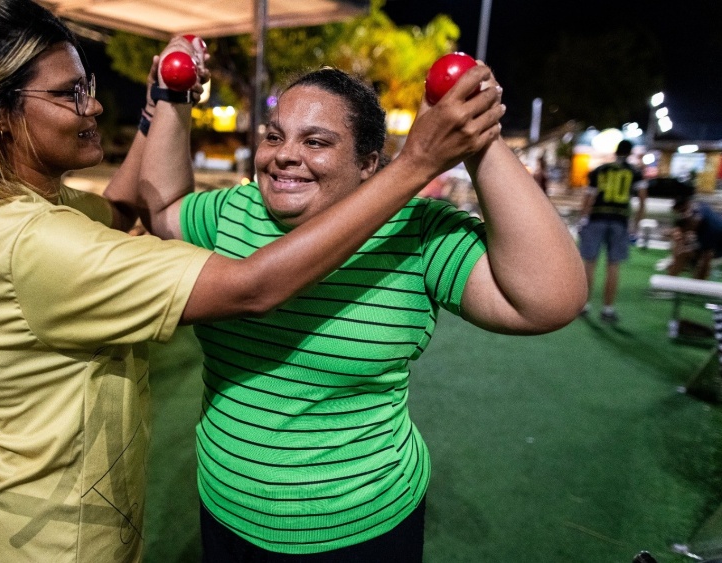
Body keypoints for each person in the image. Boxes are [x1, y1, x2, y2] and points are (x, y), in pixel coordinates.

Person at [0, 0, 506, 560]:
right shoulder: (41, 243)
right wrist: (417, 163)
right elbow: (252, 288)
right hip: (55, 542)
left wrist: (167, 97)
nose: (94, 106)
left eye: (88, 87)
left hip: (39, 513)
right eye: (69, 93)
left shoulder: (6, 215)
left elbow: (129, 208)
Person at [135, 67, 587, 560]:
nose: (285, 155)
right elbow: (162, 212)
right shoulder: (232, 211)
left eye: (316, 142)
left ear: (369, 162)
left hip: (365, 525)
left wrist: (477, 137)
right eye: (275, 136)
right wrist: (172, 94)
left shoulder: (414, 231)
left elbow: (550, 299)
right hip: (227, 510)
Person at [577, 139, 647, 322]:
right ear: (631, 153)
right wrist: (636, 225)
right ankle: (607, 309)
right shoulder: (635, 172)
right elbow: (642, 201)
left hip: (597, 217)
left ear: (616, 152)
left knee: (589, 263)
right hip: (620, 219)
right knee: (613, 266)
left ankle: (584, 305)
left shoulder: (600, 170)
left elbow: (589, 196)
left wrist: (583, 218)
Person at [668, 195, 722, 279]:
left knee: (684, 253)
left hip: (718, 248)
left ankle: (670, 282)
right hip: (709, 238)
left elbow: (706, 259)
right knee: (681, 246)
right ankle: (672, 277)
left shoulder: (710, 232)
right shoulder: (699, 208)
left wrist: (697, 284)